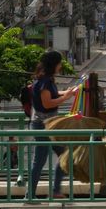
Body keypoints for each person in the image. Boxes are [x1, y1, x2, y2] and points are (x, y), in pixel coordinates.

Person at [25, 51, 76, 200]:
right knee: (40, 161)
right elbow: (47, 103)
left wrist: (66, 92)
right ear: (54, 64)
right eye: (59, 63)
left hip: (50, 125)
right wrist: (65, 97)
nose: (60, 66)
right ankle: (30, 195)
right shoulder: (45, 81)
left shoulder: (46, 80)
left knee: (65, 155)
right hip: (42, 126)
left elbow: (50, 94)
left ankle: (54, 190)